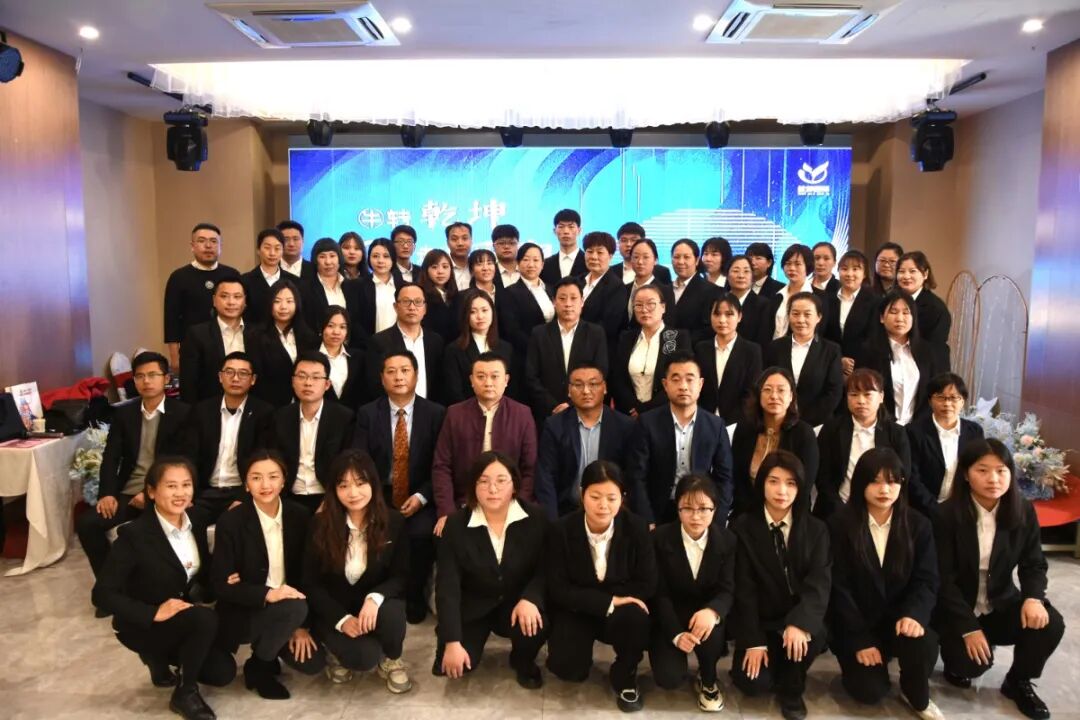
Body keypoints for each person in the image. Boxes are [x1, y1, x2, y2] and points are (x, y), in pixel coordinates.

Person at [94, 458, 236, 719]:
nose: (180, 493)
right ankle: (185, 692)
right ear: (151, 491)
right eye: (171, 486)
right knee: (205, 619)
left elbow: (201, 573)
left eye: (186, 485)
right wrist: (153, 613)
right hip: (142, 624)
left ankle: (158, 659)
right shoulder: (134, 535)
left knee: (223, 672)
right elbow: (102, 594)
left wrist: (226, 578)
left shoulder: (196, 520)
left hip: (182, 617)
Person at [934, 439, 1065, 719]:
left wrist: (1033, 598)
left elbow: (1033, 563)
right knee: (969, 666)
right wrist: (968, 628)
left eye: (1001, 470)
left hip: (1000, 603)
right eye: (982, 470)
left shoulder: (1023, 511)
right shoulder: (945, 515)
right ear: (966, 474)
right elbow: (942, 579)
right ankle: (958, 655)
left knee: (1050, 623)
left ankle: (1018, 681)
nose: (993, 479)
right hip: (957, 610)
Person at [828, 448, 943, 719]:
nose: (885, 489)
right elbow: (837, 587)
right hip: (857, 624)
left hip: (900, 620)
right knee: (869, 692)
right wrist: (860, 639)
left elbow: (926, 579)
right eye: (875, 481)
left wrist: (914, 615)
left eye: (892, 481)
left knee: (924, 643)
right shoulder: (839, 524)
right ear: (860, 483)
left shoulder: (918, 525)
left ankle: (914, 692)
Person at [212, 450, 326, 699]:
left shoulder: (300, 516)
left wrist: (301, 625)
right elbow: (222, 585)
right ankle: (260, 668)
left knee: (314, 663)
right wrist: (267, 594)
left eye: (273, 477)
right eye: (256, 478)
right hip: (245, 609)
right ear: (246, 483)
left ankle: (265, 653)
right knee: (293, 607)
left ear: (284, 480)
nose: (265, 485)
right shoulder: (230, 522)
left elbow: (308, 575)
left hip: (291, 609)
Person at [546, 461, 657, 712]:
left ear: (622, 498)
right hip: (578, 609)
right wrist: (607, 602)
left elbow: (647, 582)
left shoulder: (637, 528)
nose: (603, 505)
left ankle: (626, 672)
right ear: (581, 494)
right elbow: (557, 587)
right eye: (595, 497)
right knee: (568, 669)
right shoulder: (561, 530)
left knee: (636, 616)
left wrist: (616, 603)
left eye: (611, 498)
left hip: (621, 610)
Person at [729, 451, 830, 720]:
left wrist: (799, 622)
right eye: (773, 481)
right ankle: (776, 664)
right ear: (762, 483)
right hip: (762, 620)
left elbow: (818, 584)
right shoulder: (742, 527)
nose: (781, 491)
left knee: (812, 634)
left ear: (801, 487)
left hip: (796, 618)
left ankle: (792, 689)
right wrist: (753, 641)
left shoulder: (816, 529)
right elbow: (744, 589)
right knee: (752, 684)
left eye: (790, 483)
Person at [434, 452, 550, 688]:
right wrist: (452, 641)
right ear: (473, 486)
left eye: (501, 480)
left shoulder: (536, 518)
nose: (493, 489)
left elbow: (546, 569)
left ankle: (522, 660)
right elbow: (447, 587)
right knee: (455, 666)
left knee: (535, 622)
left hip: (517, 603)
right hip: (475, 604)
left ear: (514, 485)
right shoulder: (455, 525)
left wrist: (531, 598)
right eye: (484, 481)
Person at [77, 352, 192, 587]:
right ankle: (110, 586)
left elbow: (182, 462)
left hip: (163, 493)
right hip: (127, 493)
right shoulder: (124, 413)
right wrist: (107, 493)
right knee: (87, 524)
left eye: (152, 375)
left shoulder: (183, 413)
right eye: (140, 376)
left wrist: (150, 493)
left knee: (149, 535)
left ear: (166, 379)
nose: (146, 381)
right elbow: (111, 457)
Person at [301, 450, 413, 692]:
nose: (353, 493)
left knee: (393, 612)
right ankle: (337, 650)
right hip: (335, 611)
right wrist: (341, 620)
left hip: (373, 609)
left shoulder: (393, 522)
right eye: (343, 486)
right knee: (363, 658)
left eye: (360, 483)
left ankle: (392, 659)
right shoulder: (319, 525)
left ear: (373, 483)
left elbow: (401, 576)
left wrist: (375, 598)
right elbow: (310, 583)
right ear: (334, 490)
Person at [353, 350, 447, 623]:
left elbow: (441, 464)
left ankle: (414, 596)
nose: (399, 377)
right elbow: (360, 461)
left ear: (416, 375)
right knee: (378, 533)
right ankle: (378, 595)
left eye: (405, 370)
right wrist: (374, 498)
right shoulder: (368, 413)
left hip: (421, 494)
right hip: (378, 495)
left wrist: (422, 496)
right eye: (391, 371)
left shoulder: (436, 413)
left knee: (421, 536)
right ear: (382, 378)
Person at [649, 473, 736, 713]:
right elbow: (659, 593)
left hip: (705, 615)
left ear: (715, 509)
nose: (696, 516)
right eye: (687, 508)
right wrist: (676, 634)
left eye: (703, 508)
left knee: (711, 629)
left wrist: (713, 611)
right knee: (668, 678)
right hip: (670, 616)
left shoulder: (728, 540)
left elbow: (728, 588)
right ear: (677, 508)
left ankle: (708, 679)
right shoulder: (659, 539)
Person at [431, 353, 537, 534]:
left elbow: (530, 468)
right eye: (481, 377)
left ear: (506, 380)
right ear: (471, 380)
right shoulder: (455, 414)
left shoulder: (522, 414)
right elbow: (442, 466)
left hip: (509, 502)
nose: (488, 383)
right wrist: (446, 511)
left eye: (495, 376)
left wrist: (517, 506)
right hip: (465, 502)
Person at [626, 352, 733, 526]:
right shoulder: (647, 423)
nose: (683, 386)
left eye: (690, 379)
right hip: (658, 510)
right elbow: (636, 476)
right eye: (676, 380)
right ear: (665, 384)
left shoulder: (715, 425)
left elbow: (725, 479)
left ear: (700, 384)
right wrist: (647, 520)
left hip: (700, 510)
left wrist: (716, 521)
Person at [535, 364, 635, 519]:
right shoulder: (554, 425)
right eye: (578, 385)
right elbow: (546, 476)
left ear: (605, 388)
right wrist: (551, 522)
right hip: (566, 511)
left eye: (593, 384)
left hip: (611, 512)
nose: (586, 391)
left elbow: (632, 475)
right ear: (569, 390)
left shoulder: (624, 426)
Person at [185, 351, 274, 523]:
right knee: (186, 521)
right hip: (205, 493)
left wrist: (244, 496)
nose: (235, 378)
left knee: (237, 523)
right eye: (229, 372)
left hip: (242, 492)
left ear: (253, 379)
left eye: (243, 373)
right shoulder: (202, 411)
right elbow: (189, 456)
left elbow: (262, 460)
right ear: (220, 377)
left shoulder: (264, 413)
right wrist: (188, 493)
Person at [262, 352, 355, 514]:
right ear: (293, 382)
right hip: (288, 497)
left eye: (316, 377)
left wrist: (332, 500)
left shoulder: (344, 418)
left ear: (327, 384)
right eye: (302, 376)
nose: (308, 383)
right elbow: (273, 460)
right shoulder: (280, 417)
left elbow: (348, 464)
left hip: (329, 497)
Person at [814, 369, 913, 519]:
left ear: (881, 397)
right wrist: (840, 511)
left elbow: (903, 474)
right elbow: (823, 477)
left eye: (867, 394)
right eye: (854, 395)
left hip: (882, 510)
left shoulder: (896, 433)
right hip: (835, 510)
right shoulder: (832, 429)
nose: (860, 401)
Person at [729, 368, 818, 518]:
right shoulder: (745, 429)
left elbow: (804, 485)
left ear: (791, 396)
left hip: (791, 514)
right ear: (759, 395)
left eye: (781, 390)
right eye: (767, 390)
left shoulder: (804, 434)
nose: (774, 396)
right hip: (747, 513)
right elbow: (737, 478)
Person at [856, 289, 949, 426]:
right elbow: (863, 393)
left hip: (917, 429)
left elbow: (933, 392)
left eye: (906, 312)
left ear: (913, 317)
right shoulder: (868, 351)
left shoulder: (927, 352)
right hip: (881, 427)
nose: (900, 318)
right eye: (893, 312)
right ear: (882, 317)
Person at [525, 276, 609, 420]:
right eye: (562, 299)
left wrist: (571, 404)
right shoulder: (539, 333)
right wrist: (552, 405)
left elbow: (601, 373)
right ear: (554, 302)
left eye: (573, 298)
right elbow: (531, 376)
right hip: (547, 412)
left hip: (584, 410)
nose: (568, 304)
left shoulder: (595, 333)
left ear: (582, 302)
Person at [163, 222, 241, 372]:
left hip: (228, 346)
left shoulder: (232, 275)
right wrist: (174, 356)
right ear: (192, 246)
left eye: (213, 241)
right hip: (192, 349)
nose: (208, 246)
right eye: (202, 241)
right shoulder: (179, 277)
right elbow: (171, 319)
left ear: (220, 246)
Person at [907, 372, 984, 517]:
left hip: (962, 509)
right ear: (930, 401)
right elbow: (912, 478)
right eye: (940, 397)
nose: (947, 403)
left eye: (954, 398)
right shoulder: (914, 432)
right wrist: (936, 510)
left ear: (963, 401)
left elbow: (978, 470)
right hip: (923, 511)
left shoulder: (974, 432)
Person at [765, 292, 844, 427]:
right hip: (778, 421)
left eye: (807, 314)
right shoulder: (775, 347)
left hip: (817, 424)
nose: (801, 320)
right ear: (789, 316)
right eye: (795, 314)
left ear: (818, 317)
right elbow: (765, 385)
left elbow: (834, 392)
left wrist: (803, 421)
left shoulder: (831, 350)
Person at [610, 285, 691, 416]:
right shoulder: (626, 338)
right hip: (629, 414)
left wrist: (647, 409)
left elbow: (679, 379)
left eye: (651, 304)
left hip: (664, 413)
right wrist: (634, 407)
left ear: (663, 307)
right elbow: (618, 378)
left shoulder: (678, 338)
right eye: (638, 305)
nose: (644, 309)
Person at [367, 283, 445, 403]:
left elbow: (440, 383)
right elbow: (375, 385)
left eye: (418, 302)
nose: (412, 307)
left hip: (430, 410)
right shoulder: (379, 342)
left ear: (425, 308)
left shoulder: (435, 341)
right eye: (406, 301)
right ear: (395, 307)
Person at [179, 277, 252, 404]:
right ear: (214, 300)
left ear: (245, 301)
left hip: (252, 406)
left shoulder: (258, 333)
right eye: (224, 296)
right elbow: (188, 381)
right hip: (210, 406)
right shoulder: (197, 334)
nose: (231, 302)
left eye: (237, 297)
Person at [694, 293, 762, 426]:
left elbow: (752, 392)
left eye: (729, 314)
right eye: (717, 314)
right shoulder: (701, 348)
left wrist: (734, 422)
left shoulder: (752, 351)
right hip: (703, 419)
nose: (722, 320)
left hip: (738, 423)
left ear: (740, 316)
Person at [249, 279, 317, 408]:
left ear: (297, 304)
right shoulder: (256, 337)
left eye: (289, 301)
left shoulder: (309, 337)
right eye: (277, 301)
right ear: (269, 304)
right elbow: (258, 377)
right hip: (269, 405)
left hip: (303, 404)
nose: (283, 307)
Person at [499, 243, 554, 399]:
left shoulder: (551, 289)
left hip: (553, 357)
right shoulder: (508, 293)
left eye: (536, 260)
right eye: (526, 259)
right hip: (525, 357)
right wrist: (539, 348)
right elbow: (511, 330)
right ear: (518, 263)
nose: (531, 264)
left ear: (542, 264)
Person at [444, 289, 513, 405]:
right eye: (473, 312)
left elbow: (511, 388)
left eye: (484, 310)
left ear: (493, 312)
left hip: (502, 411)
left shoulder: (506, 348)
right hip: (467, 411)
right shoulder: (454, 350)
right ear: (466, 316)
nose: (480, 316)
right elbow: (454, 391)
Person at [824, 249, 879, 377]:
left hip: (862, 368)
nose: (849, 274)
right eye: (844, 269)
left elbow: (873, 337)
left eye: (855, 269)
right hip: (830, 366)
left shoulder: (875, 301)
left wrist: (851, 364)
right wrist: (838, 359)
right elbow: (823, 335)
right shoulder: (827, 298)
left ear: (864, 274)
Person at [241, 228, 299, 327]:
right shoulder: (245, 281)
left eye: (277, 248)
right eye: (267, 248)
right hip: (254, 334)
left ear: (282, 251)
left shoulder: (294, 281)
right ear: (258, 250)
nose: (272, 253)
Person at [762, 244, 818, 342]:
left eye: (797, 264)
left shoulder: (818, 297)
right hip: (773, 348)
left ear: (807, 266)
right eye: (788, 263)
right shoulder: (777, 295)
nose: (791, 268)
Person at [617, 239, 676, 332]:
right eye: (636, 257)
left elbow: (669, 325)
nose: (640, 262)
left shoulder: (665, 291)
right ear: (631, 260)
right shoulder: (623, 289)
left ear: (655, 260)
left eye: (646, 257)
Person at [579, 230, 626, 348]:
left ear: (610, 256)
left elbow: (608, 326)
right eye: (589, 251)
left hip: (596, 348)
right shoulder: (577, 281)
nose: (593, 257)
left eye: (600, 252)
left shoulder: (616, 287)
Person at [897, 250, 952, 348]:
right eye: (901, 271)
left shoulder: (936, 308)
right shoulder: (889, 302)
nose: (906, 276)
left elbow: (936, 347)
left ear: (925, 274)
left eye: (912, 271)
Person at [668, 238, 720, 343]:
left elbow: (709, 330)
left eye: (686, 257)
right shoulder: (664, 289)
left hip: (692, 349)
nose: (681, 262)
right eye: (676, 257)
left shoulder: (712, 291)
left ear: (696, 260)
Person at [304, 237, 358, 334]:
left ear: (339, 259)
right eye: (322, 257)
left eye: (332, 256)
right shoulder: (305, 288)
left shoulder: (352, 287)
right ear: (315, 261)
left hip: (349, 342)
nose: (328, 262)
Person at [318, 305, 363, 410]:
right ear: (321, 327)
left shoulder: (358, 358)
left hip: (352, 417)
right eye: (330, 326)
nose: (336, 332)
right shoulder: (309, 357)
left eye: (342, 327)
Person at [355, 238, 400, 341]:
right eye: (375, 256)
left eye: (386, 256)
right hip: (369, 344)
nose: (380, 261)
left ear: (393, 258)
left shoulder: (403, 286)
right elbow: (355, 321)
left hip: (400, 345)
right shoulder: (358, 286)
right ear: (369, 258)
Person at [418, 248, 458, 345]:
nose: (440, 271)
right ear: (426, 270)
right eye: (434, 267)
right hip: (431, 347)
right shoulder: (421, 295)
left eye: (445, 267)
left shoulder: (456, 295)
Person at [726, 255, 766, 347]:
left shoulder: (763, 305)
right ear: (727, 275)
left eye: (746, 271)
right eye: (736, 271)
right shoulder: (717, 301)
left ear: (752, 276)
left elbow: (763, 341)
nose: (741, 276)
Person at [540, 208, 585, 284]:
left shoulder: (588, 262)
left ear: (579, 230)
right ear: (554, 231)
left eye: (571, 227)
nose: (566, 231)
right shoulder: (545, 265)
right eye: (561, 227)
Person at [278, 220, 314, 285]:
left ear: (303, 241)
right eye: (286, 239)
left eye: (295, 239)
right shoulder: (271, 268)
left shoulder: (314, 270)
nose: (291, 244)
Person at [446, 221, 474, 291]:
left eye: (465, 238)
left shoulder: (477, 266)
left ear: (471, 241)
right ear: (447, 243)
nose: (460, 243)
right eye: (454, 239)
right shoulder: (441, 269)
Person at [491, 223, 521, 288]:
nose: (506, 246)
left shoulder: (527, 268)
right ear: (493, 246)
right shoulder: (489, 272)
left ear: (518, 245)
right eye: (501, 243)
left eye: (511, 243)